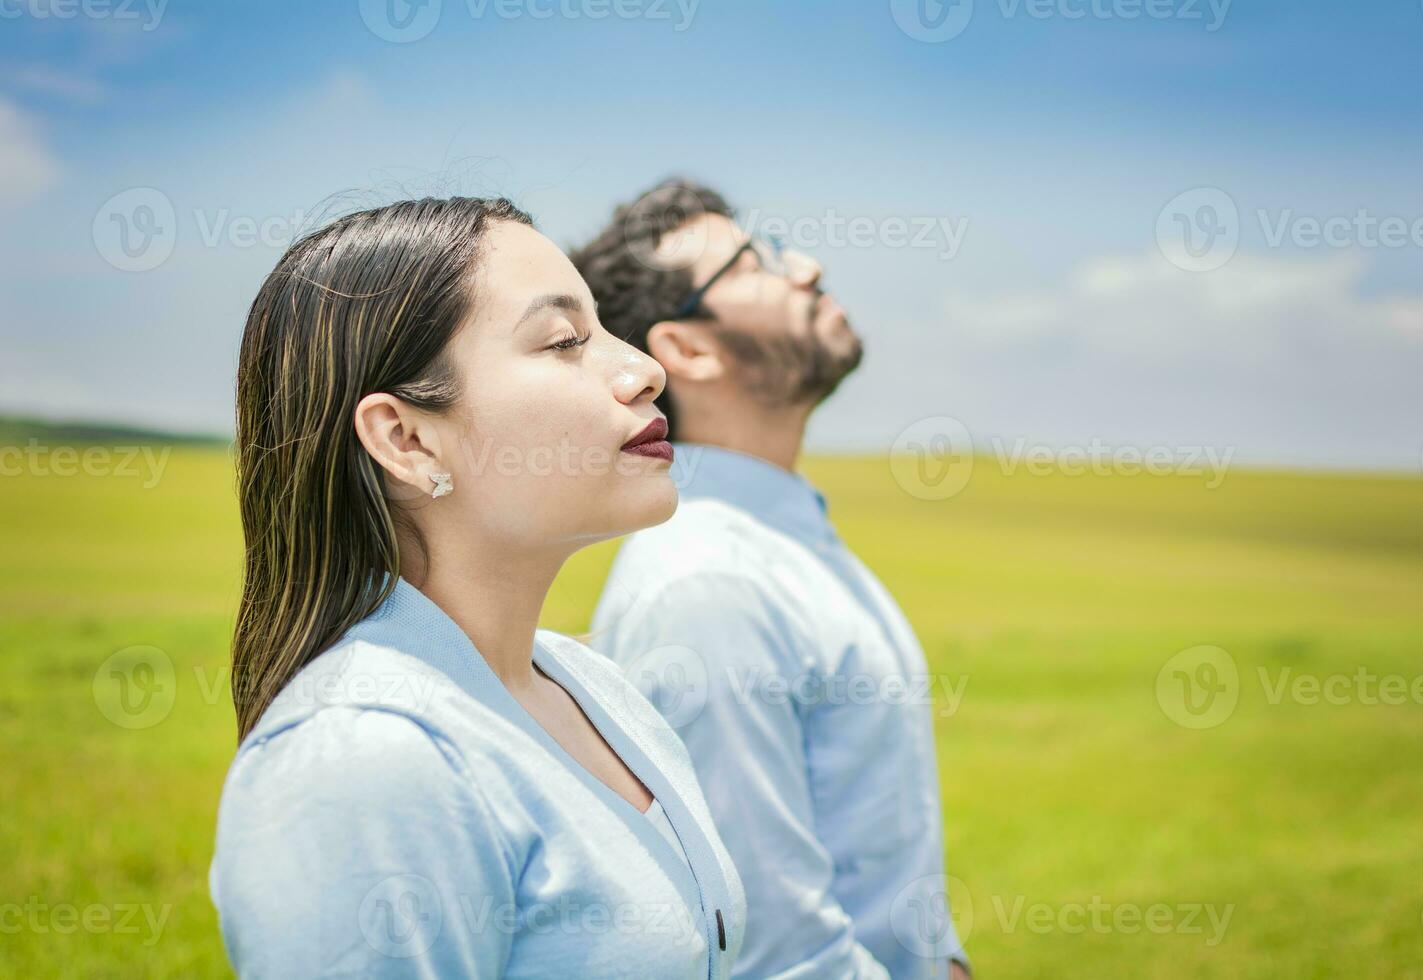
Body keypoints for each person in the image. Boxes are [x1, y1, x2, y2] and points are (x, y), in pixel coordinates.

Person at [210, 196, 744, 978]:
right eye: (564, 341)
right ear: (407, 438)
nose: (643, 369)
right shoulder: (362, 760)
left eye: (598, 329)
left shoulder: (596, 688)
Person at [573, 180, 970, 980]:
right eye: (756, 264)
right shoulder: (707, 581)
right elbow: (773, 953)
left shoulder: (775, 540)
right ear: (686, 350)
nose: (808, 268)